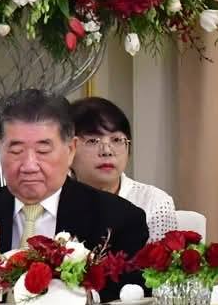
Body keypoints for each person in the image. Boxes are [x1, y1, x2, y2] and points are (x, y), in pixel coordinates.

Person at [0, 88, 148, 301]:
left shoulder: (118, 221)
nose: (29, 166)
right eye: (16, 151)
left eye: (43, 151)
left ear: (71, 150)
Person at [69, 96, 178, 241]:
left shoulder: (154, 203)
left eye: (116, 140)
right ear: (69, 149)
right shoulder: (51, 200)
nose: (107, 151)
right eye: (93, 141)